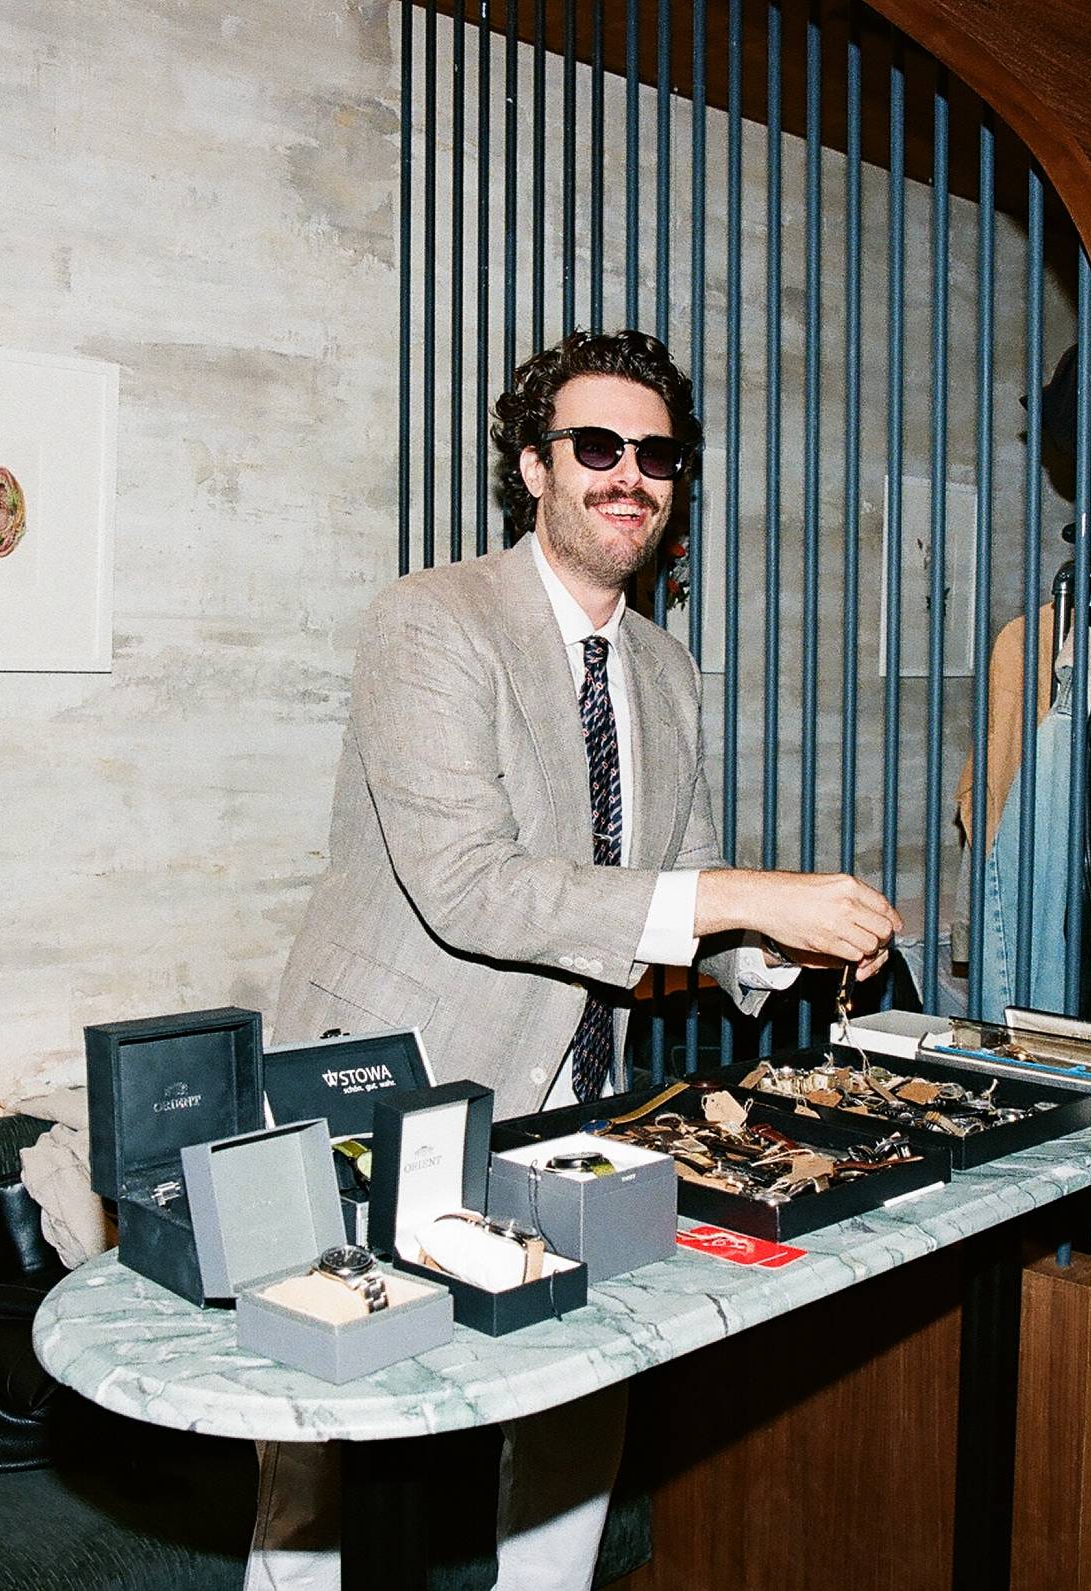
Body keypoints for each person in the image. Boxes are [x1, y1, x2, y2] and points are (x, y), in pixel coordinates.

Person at [254, 329, 902, 1590]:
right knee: (331, 1445)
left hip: (574, 1100)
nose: (630, 475)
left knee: (574, 1393)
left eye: (657, 454)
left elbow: (684, 884)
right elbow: (471, 887)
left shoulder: (664, 667)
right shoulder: (430, 622)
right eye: (595, 445)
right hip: (393, 1083)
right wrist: (742, 893)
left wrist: (781, 955)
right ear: (532, 467)